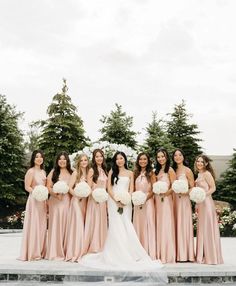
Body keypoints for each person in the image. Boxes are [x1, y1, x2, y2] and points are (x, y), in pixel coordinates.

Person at [79, 151, 166, 283]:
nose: (119, 161)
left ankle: (128, 252)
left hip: (126, 203)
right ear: (115, 161)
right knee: (115, 226)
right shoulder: (111, 172)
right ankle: (114, 254)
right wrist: (116, 200)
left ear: (125, 160)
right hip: (113, 202)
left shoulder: (131, 173)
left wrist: (126, 199)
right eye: (117, 159)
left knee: (126, 225)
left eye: (121, 158)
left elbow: (131, 189)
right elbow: (109, 188)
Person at [19, 150, 47, 261]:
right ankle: (33, 252)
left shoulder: (43, 172)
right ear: (33, 159)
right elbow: (27, 187)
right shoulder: (30, 171)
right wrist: (36, 192)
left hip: (42, 201)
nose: (39, 159)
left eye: (41, 157)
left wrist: (43, 194)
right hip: (34, 201)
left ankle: (40, 250)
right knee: (34, 225)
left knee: (42, 226)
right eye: (36, 157)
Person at [194, 154, 223, 264]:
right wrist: (197, 201)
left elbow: (213, 188)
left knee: (207, 228)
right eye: (198, 161)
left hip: (206, 203)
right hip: (200, 204)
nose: (199, 163)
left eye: (202, 162)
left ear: (206, 163)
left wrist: (203, 195)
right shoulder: (199, 174)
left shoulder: (207, 174)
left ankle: (211, 256)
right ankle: (202, 254)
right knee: (202, 228)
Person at [46, 151, 73, 260]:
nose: (62, 161)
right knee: (56, 224)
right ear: (57, 161)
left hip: (67, 201)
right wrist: (56, 194)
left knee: (67, 224)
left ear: (67, 160)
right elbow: (48, 187)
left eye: (64, 159)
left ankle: (67, 250)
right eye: (60, 159)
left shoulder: (72, 172)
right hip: (55, 201)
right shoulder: (53, 172)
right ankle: (55, 251)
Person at [65, 153, 89, 262]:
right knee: (78, 226)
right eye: (82, 160)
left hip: (85, 202)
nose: (84, 162)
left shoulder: (89, 173)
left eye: (85, 160)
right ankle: (75, 252)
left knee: (83, 226)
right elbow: (69, 187)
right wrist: (77, 195)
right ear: (78, 162)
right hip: (76, 202)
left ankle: (82, 251)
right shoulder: (76, 173)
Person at [153, 147, 176, 263]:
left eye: (162, 156)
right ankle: (159, 252)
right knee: (159, 224)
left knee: (166, 224)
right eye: (158, 157)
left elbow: (174, 186)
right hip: (157, 200)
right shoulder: (156, 171)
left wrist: (165, 194)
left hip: (166, 200)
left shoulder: (170, 170)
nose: (161, 159)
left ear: (166, 157)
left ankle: (167, 254)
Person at [172, 148, 195, 262]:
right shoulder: (172, 170)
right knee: (175, 225)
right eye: (175, 155)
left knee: (183, 224)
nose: (177, 157)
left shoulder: (187, 170)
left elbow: (192, 187)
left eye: (180, 155)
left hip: (183, 200)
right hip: (173, 200)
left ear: (183, 156)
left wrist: (184, 191)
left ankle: (186, 254)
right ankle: (176, 253)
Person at [83, 149, 108, 254]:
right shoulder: (92, 170)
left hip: (103, 201)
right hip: (94, 200)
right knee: (95, 221)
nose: (99, 158)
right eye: (97, 156)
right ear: (94, 158)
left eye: (101, 156)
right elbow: (89, 187)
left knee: (102, 221)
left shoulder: (104, 170)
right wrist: (96, 196)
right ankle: (94, 246)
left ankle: (102, 244)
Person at [133, 152, 156, 259]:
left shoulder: (151, 173)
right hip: (138, 203)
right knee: (138, 225)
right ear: (138, 161)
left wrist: (144, 199)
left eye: (145, 159)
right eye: (140, 159)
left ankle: (149, 251)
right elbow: (133, 188)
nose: (142, 161)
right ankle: (138, 251)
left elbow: (154, 190)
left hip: (148, 202)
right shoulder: (135, 173)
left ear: (148, 161)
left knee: (148, 224)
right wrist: (136, 199)